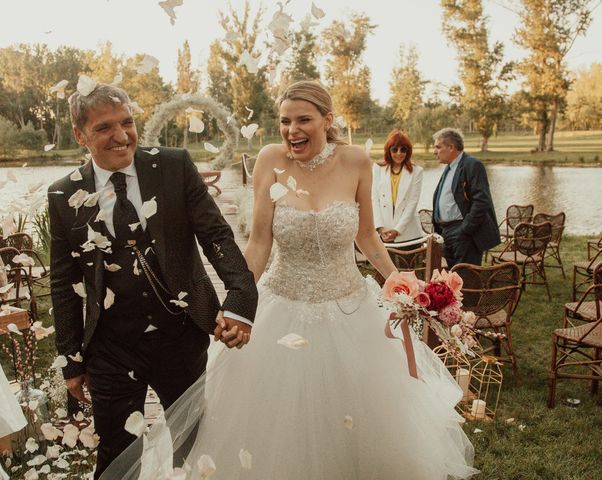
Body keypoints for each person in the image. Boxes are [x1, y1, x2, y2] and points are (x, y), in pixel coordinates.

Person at [103, 80, 478, 479]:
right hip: (279, 305)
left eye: (303, 120)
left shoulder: (356, 162)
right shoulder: (270, 160)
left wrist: (402, 281)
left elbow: (366, 236)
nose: (291, 130)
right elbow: (261, 240)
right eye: (284, 121)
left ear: (327, 120)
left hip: (348, 308)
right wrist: (239, 303)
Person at [47, 83, 258, 478]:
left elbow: (217, 237)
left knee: (194, 445)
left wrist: (241, 301)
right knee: (115, 454)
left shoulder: (174, 165)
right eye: (104, 127)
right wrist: (71, 360)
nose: (121, 135)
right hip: (110, 347)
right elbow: (63, 284)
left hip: (181, 333)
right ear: (80, 135)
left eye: (127, 122)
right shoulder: (64, 194)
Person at [431, 127, 500, 268]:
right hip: (446, 232)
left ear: (451, 147)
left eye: (438, 147)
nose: (434, 151)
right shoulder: (449, 167)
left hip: (462, 232)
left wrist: (465, 230)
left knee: (466, 279)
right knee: (451, 279)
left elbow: (481, 201)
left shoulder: (472, 164)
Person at [372, 129, 424, 245]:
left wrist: (397, 230)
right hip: (383, 232)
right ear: (388, 150)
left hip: (408, 233)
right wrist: (380, 228)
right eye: (394, 149)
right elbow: (374, 199)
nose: (399, 153)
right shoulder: (377, 168)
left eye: (403, 149)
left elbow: (412, 203)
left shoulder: (417, 171)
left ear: (408, 151)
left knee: (409, 263)